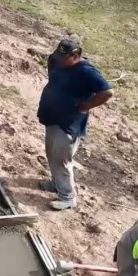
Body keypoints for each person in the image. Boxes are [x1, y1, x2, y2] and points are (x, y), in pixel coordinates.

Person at [36, 38, 113, 210]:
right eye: (59, 56)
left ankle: (67, 197)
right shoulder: (56, 60)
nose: (60, 61)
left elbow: (107, 92)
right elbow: (51, 64)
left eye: (65, 58)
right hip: (52, 116)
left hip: (68, 122)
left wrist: (87, 105)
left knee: (62, 159)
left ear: (76, 55)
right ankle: (56, 183)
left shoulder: (86, 72)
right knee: (52, 153)